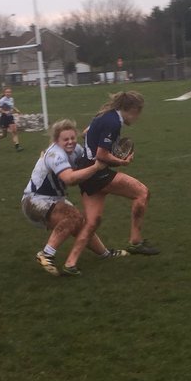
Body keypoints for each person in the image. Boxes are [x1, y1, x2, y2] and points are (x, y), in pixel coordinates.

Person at [22, 119, 128, 276]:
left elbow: (93, 158)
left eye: (73, 138)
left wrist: (98, 144)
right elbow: (70, 179)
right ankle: (46, 254)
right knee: (74, 217)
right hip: (35, 200)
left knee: (82, 224)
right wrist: (95, 167)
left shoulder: (76, 149)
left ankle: (105, 254)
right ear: (57, 140)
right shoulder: (55, 154)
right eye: (66, 139)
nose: (70, 142)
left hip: (54, 199)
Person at [65, 90, 158, 267]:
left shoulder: (104, 115)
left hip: (86, 173)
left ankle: (70, 263)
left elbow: (86, 133)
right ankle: (136, 242)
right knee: (142, 193)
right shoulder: (113, 122)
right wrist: (122, 161)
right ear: (131, 110)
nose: (137, 118)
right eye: (138, 113)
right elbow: (102, 155)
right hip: (98, 173)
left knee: (92, 222)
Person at [0, 86, 23, 151]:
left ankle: (17, 147)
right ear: (4, 93)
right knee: (4, 134)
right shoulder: (2, 100)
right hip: (4, 118)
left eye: (9, 92)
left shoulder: (11, 99)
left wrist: (17, 110)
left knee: (14, 131)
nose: (8, 93)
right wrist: (4, 112)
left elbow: (12, 106)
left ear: (11, 93)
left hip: (10, 117)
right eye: (7, 92)